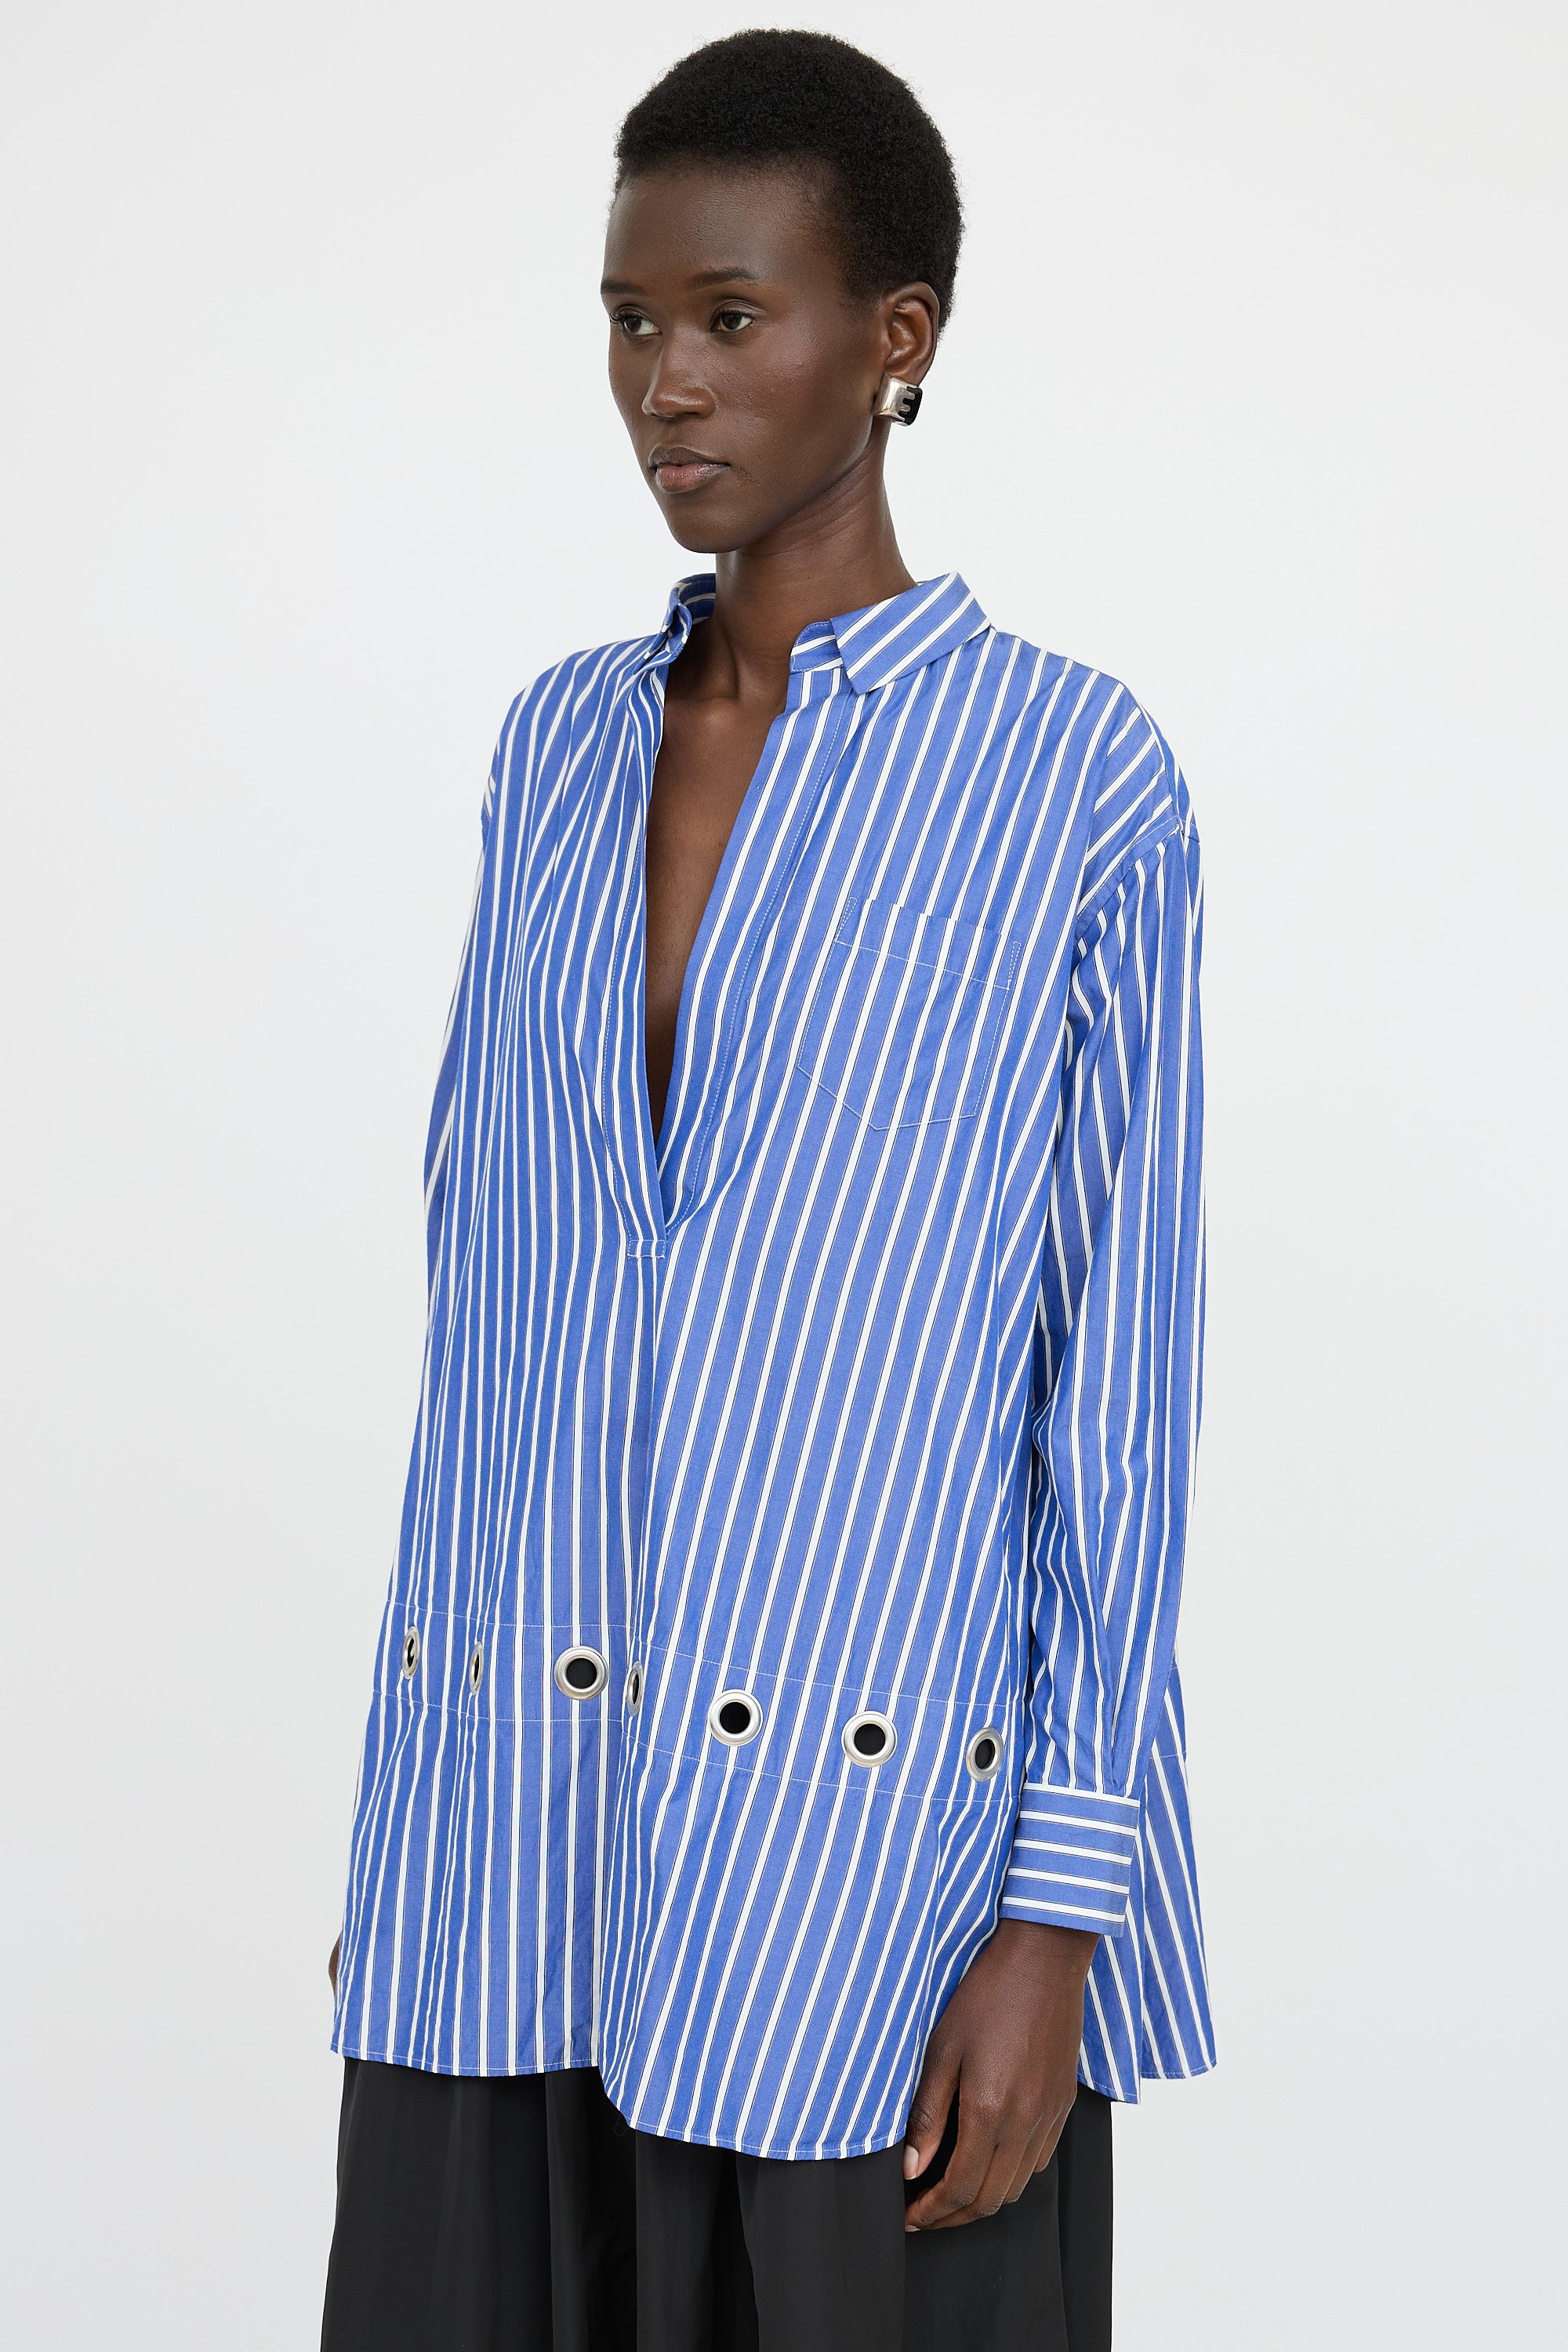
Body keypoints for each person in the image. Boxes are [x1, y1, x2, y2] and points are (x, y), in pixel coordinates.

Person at [319, 29, 1214, 2351]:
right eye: (631, 319)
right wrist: (420, 1822)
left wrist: (1060, 1916)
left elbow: (1116, 1381)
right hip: (514, 1839)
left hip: (870, 1869)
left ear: (894, 338)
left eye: (732, 315)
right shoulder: (555, 747)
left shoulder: (1075, 776)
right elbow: (489, 1314)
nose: (666, 382)